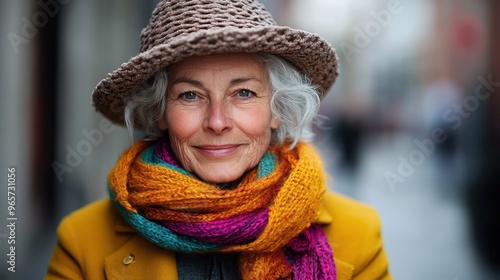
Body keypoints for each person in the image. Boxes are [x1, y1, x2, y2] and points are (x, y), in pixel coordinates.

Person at [45, 0, 392, 279]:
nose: (217, 121)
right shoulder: (81, 241)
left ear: (277, 109)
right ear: (160, 112)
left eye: (243, 92)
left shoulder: (358, 236)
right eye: (190, 96)